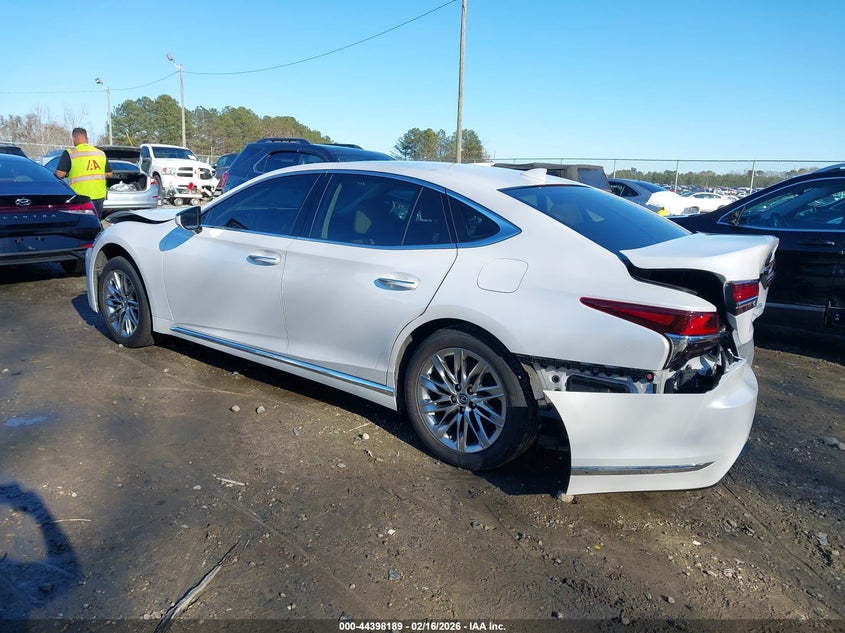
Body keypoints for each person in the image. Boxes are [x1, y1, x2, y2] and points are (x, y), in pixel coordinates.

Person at [54, 127, 112, 217]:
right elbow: (109, 174)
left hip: (80, 197)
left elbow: (59, 175)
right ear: (87, 139)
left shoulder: (70, 153)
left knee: (82, 224)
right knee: (96, 223)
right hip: (99, 195)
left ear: (73, 138)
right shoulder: (100, 153)